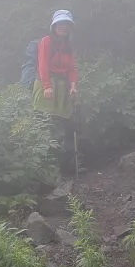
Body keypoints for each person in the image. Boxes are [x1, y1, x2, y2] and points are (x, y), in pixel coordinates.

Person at [31, 10, 79, 175]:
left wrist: (73, 85)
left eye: (66, 24)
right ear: (54, 26)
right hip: (48, 85)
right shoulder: (46, 41)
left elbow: (72, 68)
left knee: (64, 124)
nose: (63, 27)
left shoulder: (69, 45)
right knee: (47, 123)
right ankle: (46, 168)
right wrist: (46, 86)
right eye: (60, 24)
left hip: (62, 86)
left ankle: (64, 168)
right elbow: (42, 65)